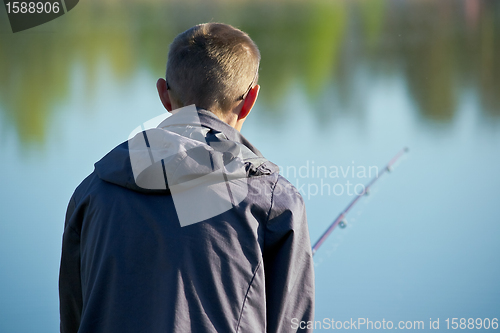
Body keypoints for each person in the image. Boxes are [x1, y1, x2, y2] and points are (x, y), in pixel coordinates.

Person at [59, 22, 314, 333]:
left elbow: (74, 315)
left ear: (164, 95)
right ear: (249, 100)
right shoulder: (274, 201)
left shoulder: (92, 192)